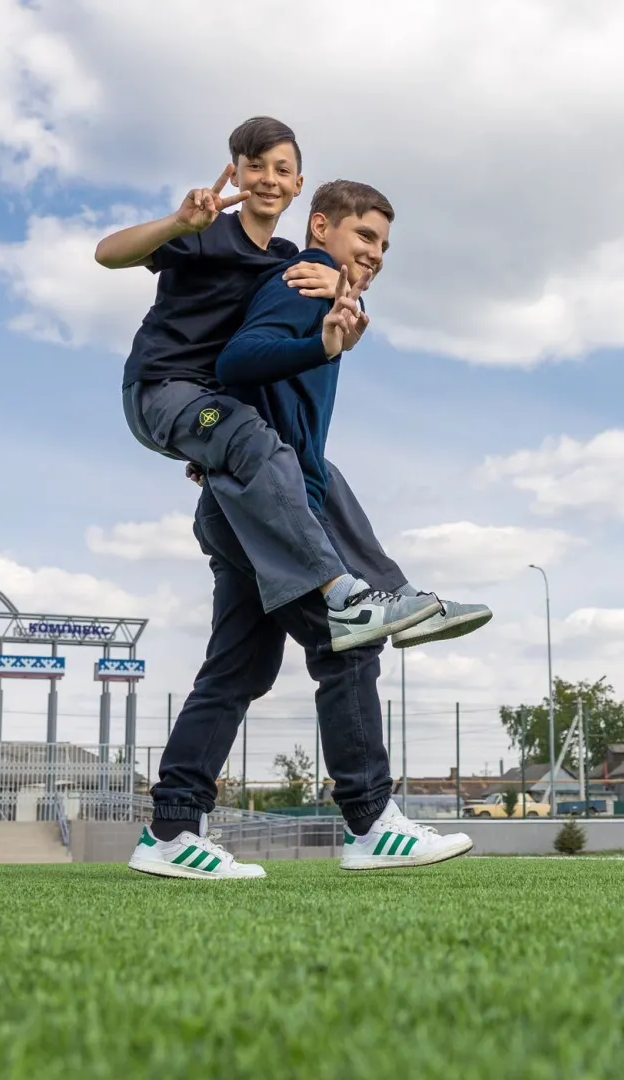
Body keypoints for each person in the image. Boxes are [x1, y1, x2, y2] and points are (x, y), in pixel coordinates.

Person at [129, 179, 474, 880]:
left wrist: (338, 311)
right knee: (345, 645)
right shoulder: (302, 284)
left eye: (382, 244)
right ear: (322, 226)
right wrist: (320, 338)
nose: (375, 254)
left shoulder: (328, 288)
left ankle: (170, 828)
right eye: (364, 237)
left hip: (255, 504)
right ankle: (372, 821)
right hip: (259, 508)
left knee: (240, 668)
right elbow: (236, 361)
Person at [97, 116, 448, 652]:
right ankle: (342, 595)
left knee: (311, 466)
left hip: (215, 405)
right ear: (235, 173)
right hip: (161, 389)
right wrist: (177, 223)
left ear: (298, 184)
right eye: (253, 166)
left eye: (281, 169)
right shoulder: (204, 234)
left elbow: (326, 285)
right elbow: (107, 253)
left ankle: (395, 593)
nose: (267, 178)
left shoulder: (284, 261)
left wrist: (342, 284)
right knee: (257, 441)